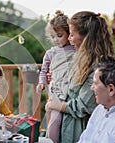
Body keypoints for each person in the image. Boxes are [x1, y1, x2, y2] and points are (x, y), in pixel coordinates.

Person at [45, 11, 115, 143]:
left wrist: (54, 105)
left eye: (72, 35)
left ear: (87, 38)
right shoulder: (81, 58)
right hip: (68, 125)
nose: (69, 39)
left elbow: (82, 106)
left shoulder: (99, 68)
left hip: (79, 130)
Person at [36, 10, 75, 143]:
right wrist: (41, 83)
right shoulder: (50, 53)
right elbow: (43, 70)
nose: (56, 40)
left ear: (69, 34)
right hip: (57, 92)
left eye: (59, 35)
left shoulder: (77, 51)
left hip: (71, 92)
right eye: (52, 37)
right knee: (55, 119)